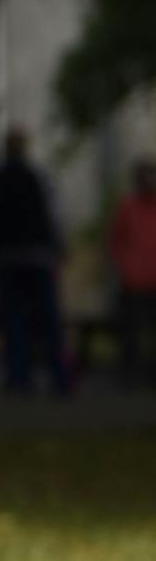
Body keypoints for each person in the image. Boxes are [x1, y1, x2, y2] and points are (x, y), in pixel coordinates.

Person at [0, 126, 73, 395]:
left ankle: (21, 377)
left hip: (12, 254)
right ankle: (57, 378)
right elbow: (56, 212)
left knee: (16, 319)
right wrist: (61, 245)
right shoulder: (37, 175)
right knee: (46, 319)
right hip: (37, 255)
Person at [108, 157, 156, 388]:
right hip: (134, 280)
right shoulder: (127, 207)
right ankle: (131, 376)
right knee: (133, 332)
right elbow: (115, 241)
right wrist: (125, 267)